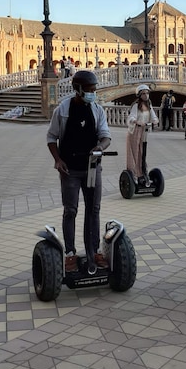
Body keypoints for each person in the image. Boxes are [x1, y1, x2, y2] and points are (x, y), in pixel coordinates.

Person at [47, 70, 112, 274]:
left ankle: (93, 252)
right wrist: (58, 160)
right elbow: (51, 138)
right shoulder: (63, 110)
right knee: (71, 210)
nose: (93, 93)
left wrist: (100, 147)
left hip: (92, 168)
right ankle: (70, 254)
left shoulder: (97, 110)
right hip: (70, 169)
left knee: (94, 209)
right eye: (90, 90)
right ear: (78, 89)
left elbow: (106, 136)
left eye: (95, 89)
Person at [126, 84, 159, 183]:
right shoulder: (136, 105)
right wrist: (136, 122)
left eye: (147, 93)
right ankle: (135, 174)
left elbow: (153, 115)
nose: (146, 95)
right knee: (135, 152)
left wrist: (155, 120)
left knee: (142, 152)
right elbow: (131, 117)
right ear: (139, 95)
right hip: (135, 131)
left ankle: (142, 172)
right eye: (143, 93)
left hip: (144, 131)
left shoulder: (149, 104)